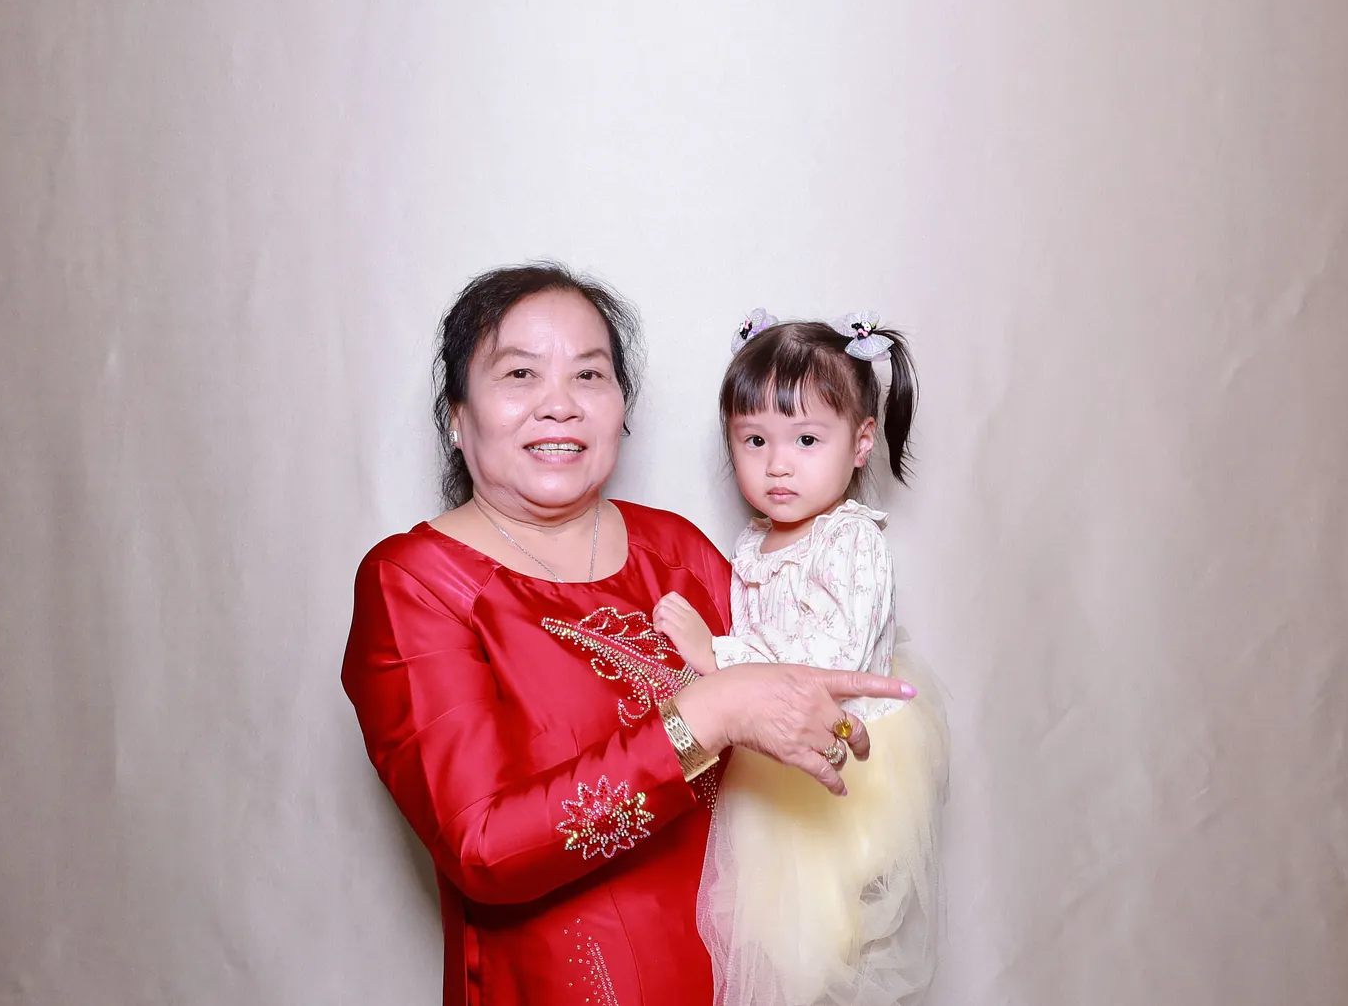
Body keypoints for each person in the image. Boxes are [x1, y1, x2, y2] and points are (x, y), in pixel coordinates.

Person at [340, 265, 917, 1006]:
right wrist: (706, 715)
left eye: (589, 374)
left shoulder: (678, 552)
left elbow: (802, 741)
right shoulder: (415, 582)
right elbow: (481, 847)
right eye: (520, 373)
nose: (559, 404)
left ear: (621, 408)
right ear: (457, 415)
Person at [653, 310, 949, 1006]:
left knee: (830, 941)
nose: (777, 463)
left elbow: (827, 667)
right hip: (770, 761)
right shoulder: (754, 543)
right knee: (767, 943)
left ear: (861, 443)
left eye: (807, 439)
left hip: (844, 757)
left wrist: (715, 654)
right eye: (754, 439)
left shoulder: (851, 540)